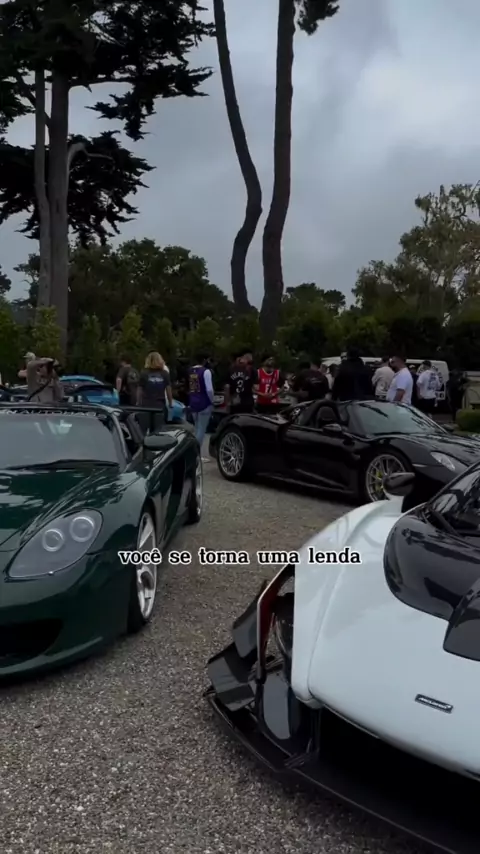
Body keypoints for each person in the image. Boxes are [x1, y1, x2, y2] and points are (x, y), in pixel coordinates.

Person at [137, 352, 173, 433]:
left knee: (143, 430)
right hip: (159, 405)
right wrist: (170, 402)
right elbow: (168, 389)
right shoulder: (165, 374)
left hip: (146, 405)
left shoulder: (144, 373)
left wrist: (138, 402)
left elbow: (140, 389)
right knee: (158, 430)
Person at [188, 353, 215, 459]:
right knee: (201, 430)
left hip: (193, 401)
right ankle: (196, 455)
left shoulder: (191, 371)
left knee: (196, 428)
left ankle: (192, 452)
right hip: (204, 403)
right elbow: (209, 389)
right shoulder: (206, 371)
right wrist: (212, 400)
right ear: (204, 360)